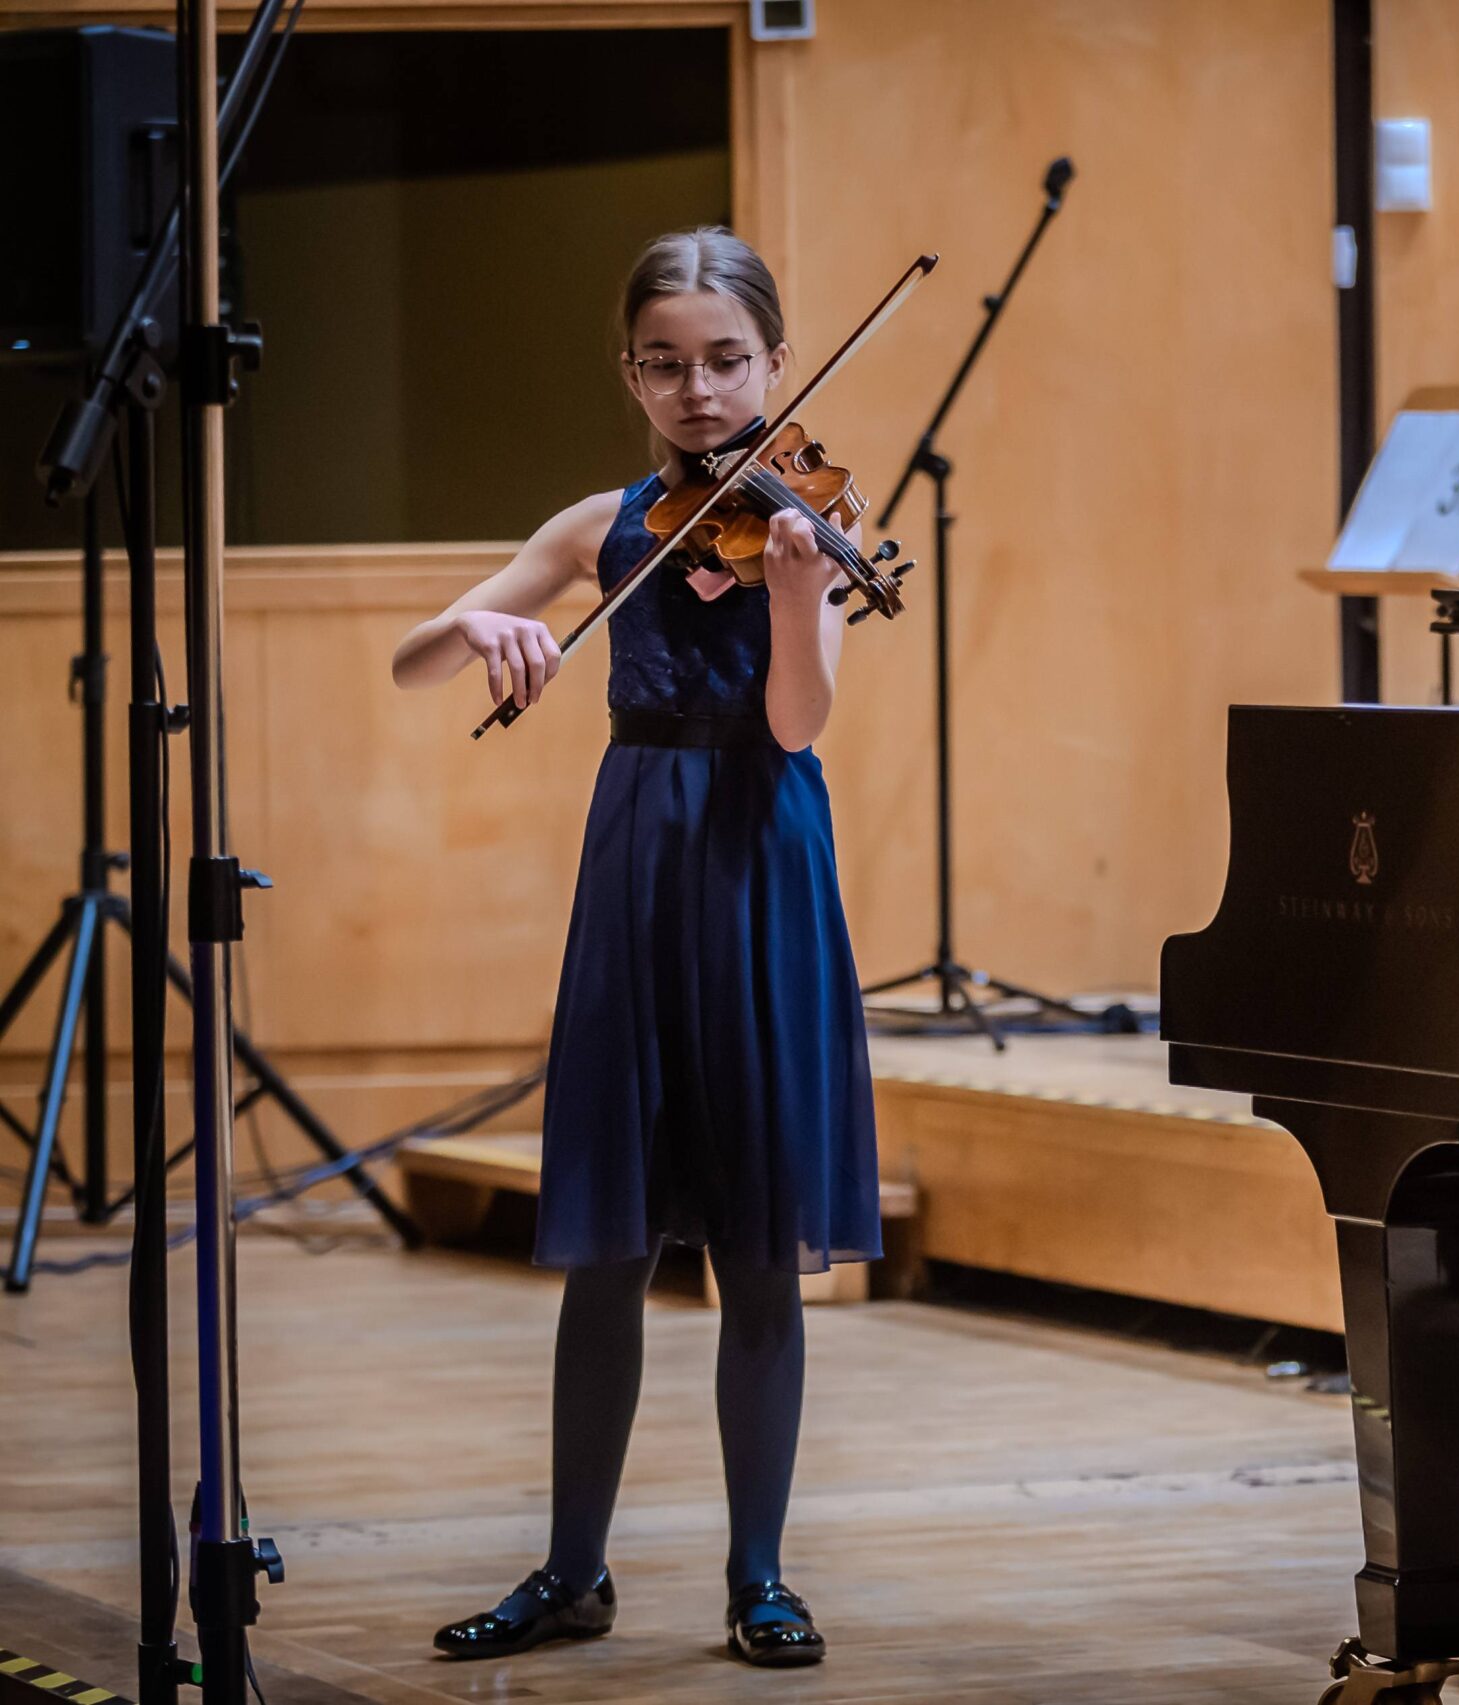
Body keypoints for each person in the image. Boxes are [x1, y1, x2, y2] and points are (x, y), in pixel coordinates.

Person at [391, 226, 879, 1669]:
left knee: (759, 1250)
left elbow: (796, 723)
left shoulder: (805, 530)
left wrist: (795, 593)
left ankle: (760, 1576)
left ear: (777, 364)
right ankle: (572, 1573)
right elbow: (414, 662)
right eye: (666, 364)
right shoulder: (605, 524)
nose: (699, 390)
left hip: (760, 854)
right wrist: (482, 626)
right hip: (639, 861)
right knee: (606, 1244)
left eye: (727, 361)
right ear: (631, 373)